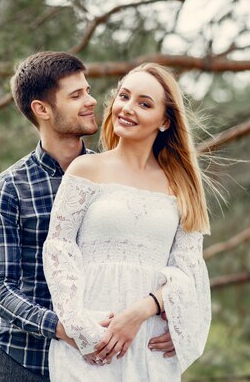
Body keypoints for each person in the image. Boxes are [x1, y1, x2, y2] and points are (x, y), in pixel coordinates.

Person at [0, 52, 177, 382]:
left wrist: (170, 317)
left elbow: (153, 260)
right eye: (76, 96)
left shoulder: (113, 182)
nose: (91, 102)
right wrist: (63, 328)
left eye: (87, 91)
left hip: (98, 365)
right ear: (42, 109)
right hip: (21, 361)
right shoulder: (10, 187)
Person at [42, 63, 212, 381]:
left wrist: (145, 310)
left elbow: (189, 272)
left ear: (165, 121)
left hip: (149, 342)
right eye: (124, 96)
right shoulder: (85, 169)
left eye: (144, 103)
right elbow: (59, 249)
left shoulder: (182, 187)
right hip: (95, 336)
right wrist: (79, 324)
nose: (127, 108)